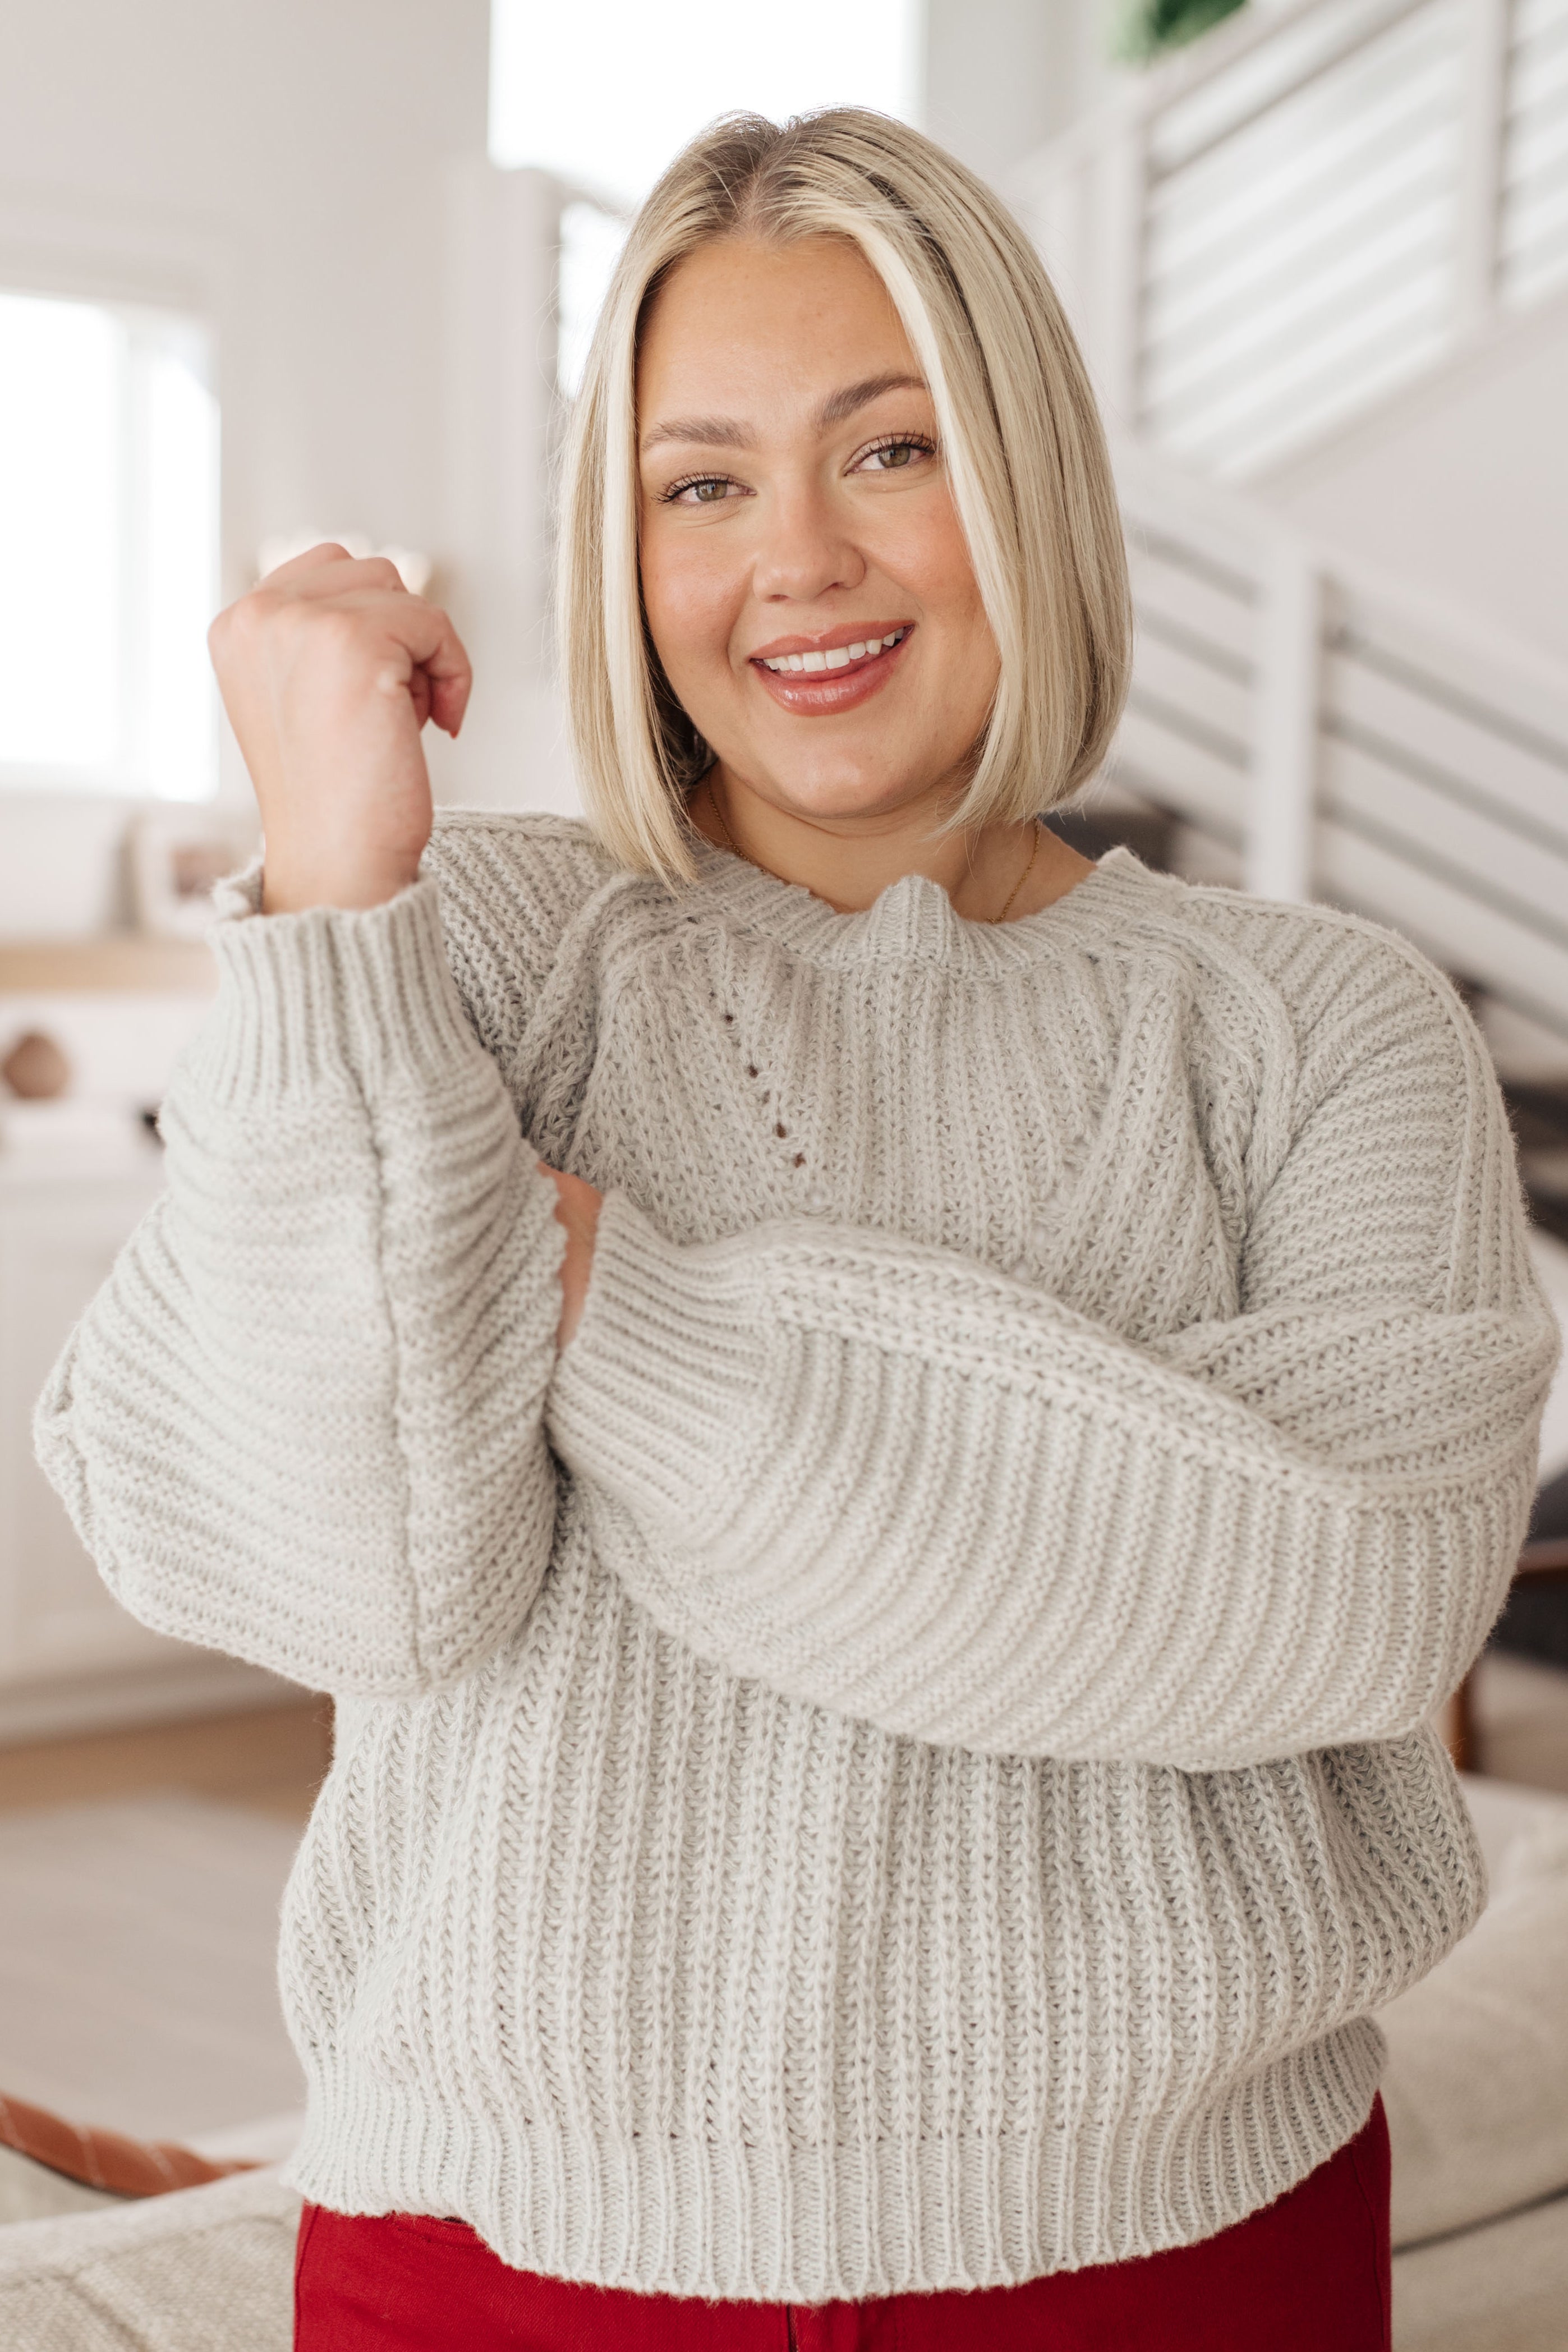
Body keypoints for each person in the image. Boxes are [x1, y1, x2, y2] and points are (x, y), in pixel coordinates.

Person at [36, 108, 1556, 2351]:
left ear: (1026, 479)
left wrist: (588, 1297)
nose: (800, 565)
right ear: (625, 547)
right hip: (492, 2263)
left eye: (890, 451)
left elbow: (1327, 1604)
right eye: (702, 485)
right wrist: (337, 893)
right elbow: (342, 1572)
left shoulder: (1321, 1022)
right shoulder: (459, 957)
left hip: (1164, 2254)